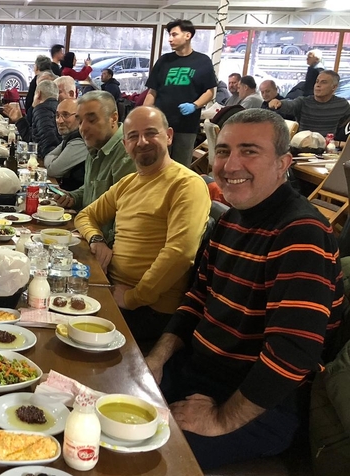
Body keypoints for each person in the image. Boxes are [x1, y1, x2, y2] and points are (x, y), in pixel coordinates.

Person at [144, 108, 344, 470]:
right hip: (199, 373)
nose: (230, 165)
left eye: (249, 151)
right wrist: (157, 359)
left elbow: (292, 354)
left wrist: (219, 420)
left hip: (260, 404)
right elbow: (197, 299)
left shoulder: (302, 234)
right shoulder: (231, 219)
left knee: (140, 457)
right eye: (223, 151)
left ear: (283, 163)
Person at [74, 106, 210, 348]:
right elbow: (85, 216)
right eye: (133, 136)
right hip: (112, 289)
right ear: (125, 144)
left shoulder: (187, 184)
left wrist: (133, 298)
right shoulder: (128, 183)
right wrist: (96, 239)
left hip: (149, 310)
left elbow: (180, 253)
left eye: (150, 133)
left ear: (169, 136)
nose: (142, 142)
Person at [55, 90, 136, 243]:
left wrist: (98, 242)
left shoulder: (127, 153)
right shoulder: (96, 145)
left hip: (104, 244)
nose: (83, 128)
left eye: (91, 120)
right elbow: (92, 187)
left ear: (113, 118)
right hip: (87, 233)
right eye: (80, 122)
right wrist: (73, 197)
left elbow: (126, 216)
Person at [144, 19, 217, 167]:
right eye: (169, 35)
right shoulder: (164, 61)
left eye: (174, 34)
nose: (170, 39)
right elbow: (152, 91)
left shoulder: (202, 61)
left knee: (180, 167)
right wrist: (144, 114)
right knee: (157, 165)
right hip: (161, 124)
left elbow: (210, 92)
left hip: (186, 126)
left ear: (187, 35)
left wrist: (194, 105)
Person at [268, 71, 350, 137]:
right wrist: (279, 103)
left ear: (334, 87)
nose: (318, 85)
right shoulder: (303, 101)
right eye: (317, 82)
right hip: (303, 146)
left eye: (323, 82)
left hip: (329, 147)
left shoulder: (342, 105)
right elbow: (290, 105)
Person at [44, 98, 88, 191]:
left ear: (80, 117)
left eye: (65, 115)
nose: (59, 121)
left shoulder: (80, 140)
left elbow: (53, 170)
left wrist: (53, 161)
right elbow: (48, 156)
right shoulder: (70, 136)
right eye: (57, 115)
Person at [15, 79, 61, 159]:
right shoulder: (58, 108)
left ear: (38, 94)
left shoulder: (41, 109)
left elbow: (48, 143)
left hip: (48, 161)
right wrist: (20, 120)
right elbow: (34, 138)